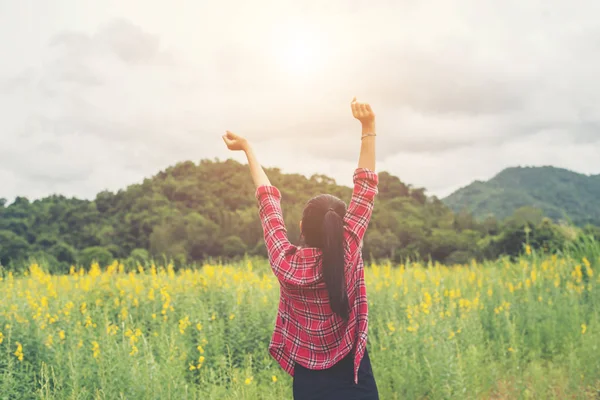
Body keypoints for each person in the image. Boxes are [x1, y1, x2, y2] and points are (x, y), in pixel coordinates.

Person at [222, 97, 379, 400]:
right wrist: (368, 126)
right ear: (340, 225)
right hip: (353, 376)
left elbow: (268, 203)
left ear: (302, 228)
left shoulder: (285, 262)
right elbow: (365, 188)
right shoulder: (348, 249)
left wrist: (248, 150)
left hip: (309, 382)